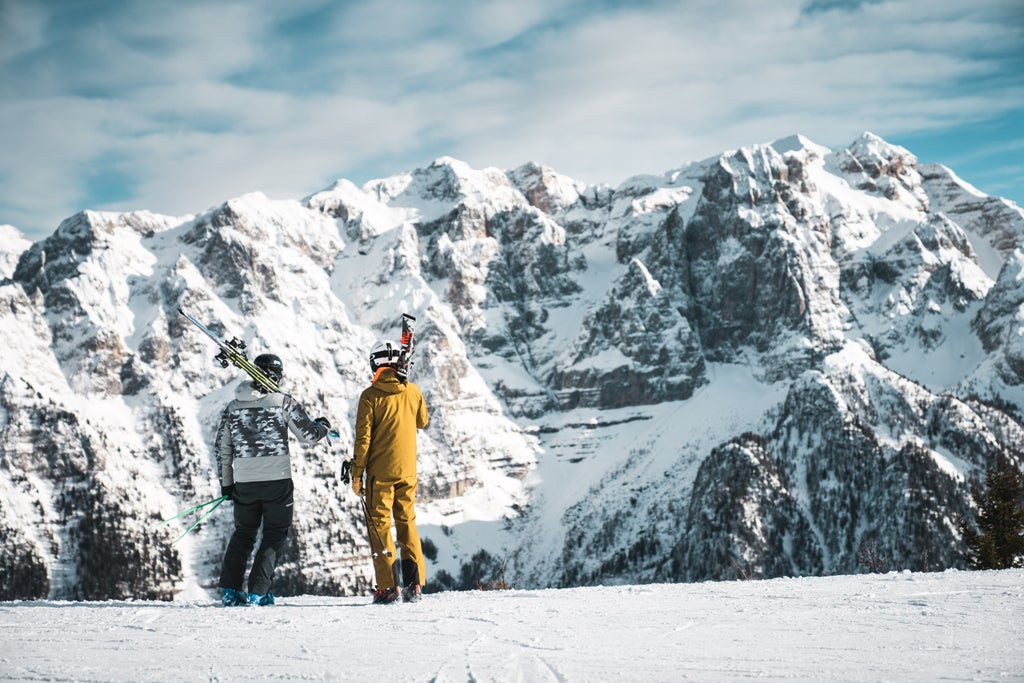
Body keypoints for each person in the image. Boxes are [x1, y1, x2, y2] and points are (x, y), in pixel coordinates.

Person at [215, 353, 331, 607]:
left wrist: (226, 484)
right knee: (274, 534)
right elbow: (309, 435)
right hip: (277, 481)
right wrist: (323, 425)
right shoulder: (283, 402)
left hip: (244, 483)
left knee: (243, 533)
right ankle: (258, 592)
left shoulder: (233, 407)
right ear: (276, 375)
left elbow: (222, 448)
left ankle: (230, 590)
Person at [350, 340, 429, 604]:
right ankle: (414, 585)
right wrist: (408, 388)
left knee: (380, 527)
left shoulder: (370, 396)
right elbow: (423, 421)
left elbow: (363, 440)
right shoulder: (413, 391)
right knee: (407, 523)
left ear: (376, 364)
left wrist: (357, 474)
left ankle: (388, 588)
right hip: (408, 473)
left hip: (379, 475)